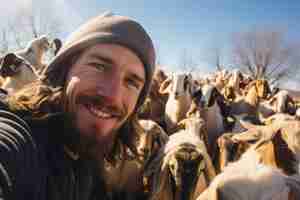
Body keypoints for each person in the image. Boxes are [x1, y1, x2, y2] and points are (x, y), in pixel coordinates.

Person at [0, 12, 155, 200]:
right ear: (65, 70)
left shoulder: (87, 165)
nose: (112, 96)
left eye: (131, 82)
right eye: (99, 66)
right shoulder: (22, 137)